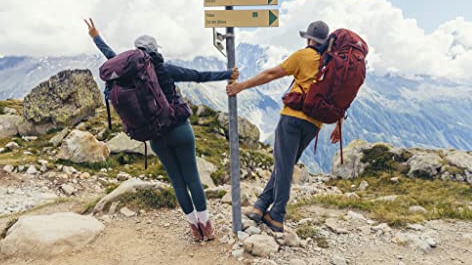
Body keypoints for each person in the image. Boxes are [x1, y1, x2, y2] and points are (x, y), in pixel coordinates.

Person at [84, 18, 239, 242]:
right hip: (180, 130)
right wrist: (228, 75)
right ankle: (207, 227)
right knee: (192, 178)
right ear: (155, 51)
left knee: (177, 181)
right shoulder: (164, 69)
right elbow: (197, 76)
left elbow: (111, 56)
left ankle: (194, 230)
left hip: (155, 136)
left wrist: (96, 37)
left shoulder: (127, 74)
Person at [226, 20, 341, 232]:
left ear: (309, 39)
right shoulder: (332, 63)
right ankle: (260, 207)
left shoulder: (303, 56)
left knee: (284, 166)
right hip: (313, 125)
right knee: (283, 164)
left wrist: (242, 86)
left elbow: (271, 74)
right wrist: (338, 124)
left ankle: (277, 215)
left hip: (292, 118)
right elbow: (338, 95)